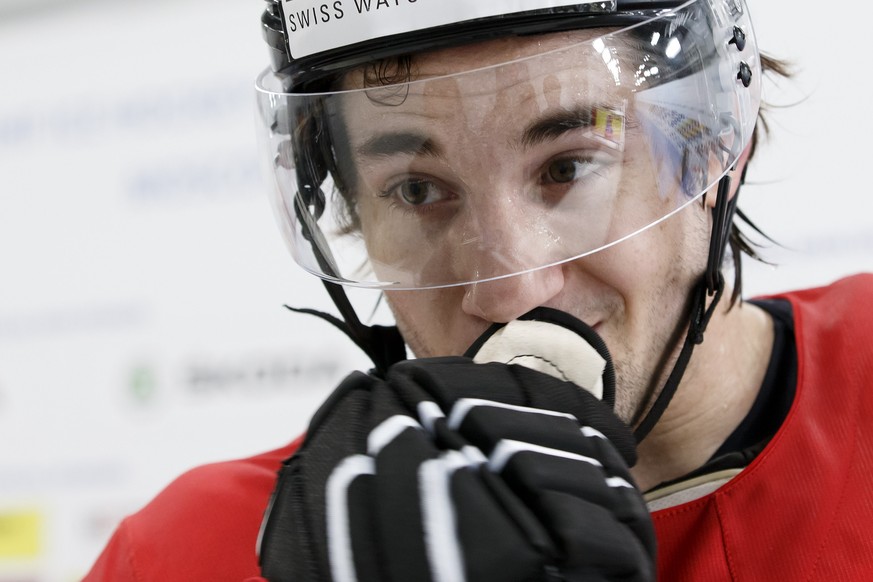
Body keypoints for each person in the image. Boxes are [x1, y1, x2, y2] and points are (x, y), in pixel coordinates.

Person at [85, 0, 873, 580]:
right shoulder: (200, 552)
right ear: (352, 214)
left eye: (568, 167)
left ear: (708, 151)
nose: (511, 289)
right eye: (418, 192)